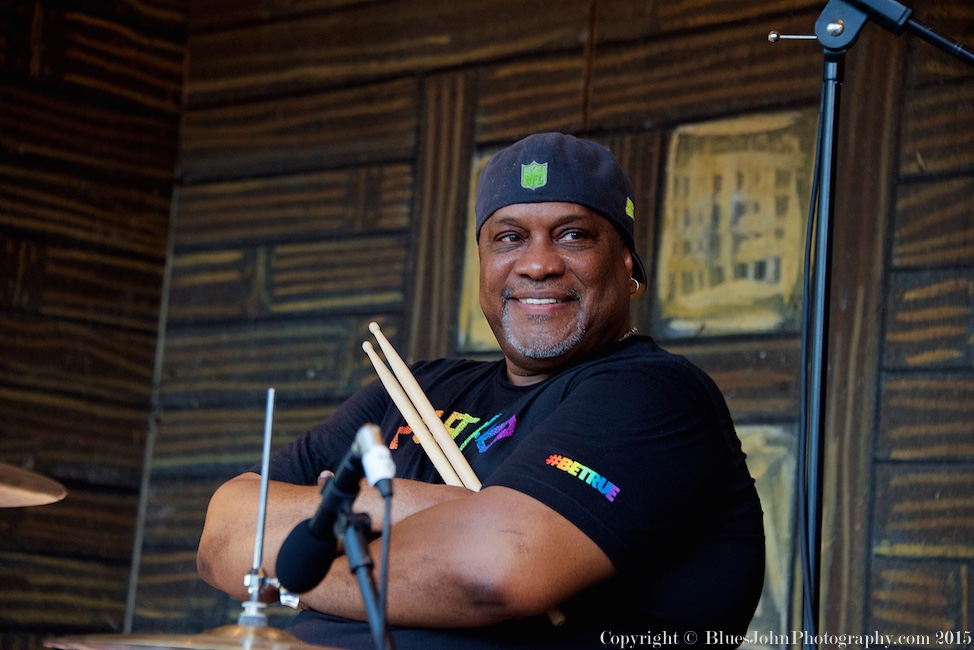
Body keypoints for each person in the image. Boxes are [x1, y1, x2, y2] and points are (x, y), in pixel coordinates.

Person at [197, 132, 765, 649]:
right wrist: (435, 511)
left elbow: (492, 570)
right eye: (509, 237)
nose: (537, 264)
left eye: (572, 235)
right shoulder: (412, 388)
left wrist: (327, 535)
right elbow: (223, 535)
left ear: (627, 262)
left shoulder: (655, 394)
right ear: (482, 262)